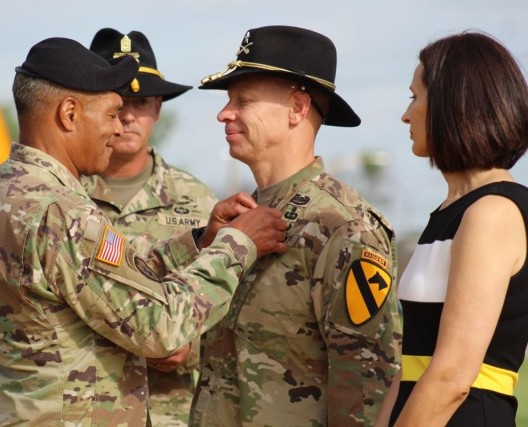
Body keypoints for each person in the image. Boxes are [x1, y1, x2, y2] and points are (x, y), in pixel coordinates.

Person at [0, 37, 287, 426]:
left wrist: (198, 242)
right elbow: (158, 327)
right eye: (112, 113)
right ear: (70, 113)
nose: (118, 127)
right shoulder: (61, 211)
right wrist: (237, 245)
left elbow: (105, 272)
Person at [189, 25, 402, 426]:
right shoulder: (236, 218)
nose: (223, 113)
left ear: (298, 108)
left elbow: (362, 386)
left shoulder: (343, 226)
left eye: (243, 100)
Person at [389, 31, 528, 426]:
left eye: (415, 96)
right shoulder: (450, 212)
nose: (405, 114)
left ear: (454, 105)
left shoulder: (493, 212)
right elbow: (411, 369)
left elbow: (453, 377)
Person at [80, 28, 215, 426]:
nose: (126, 116)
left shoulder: (199, 202)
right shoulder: (57, 197)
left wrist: (189, 348)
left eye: (139, 102)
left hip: (169, 414)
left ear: (158, 107)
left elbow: (232, 308)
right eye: (116, 102)